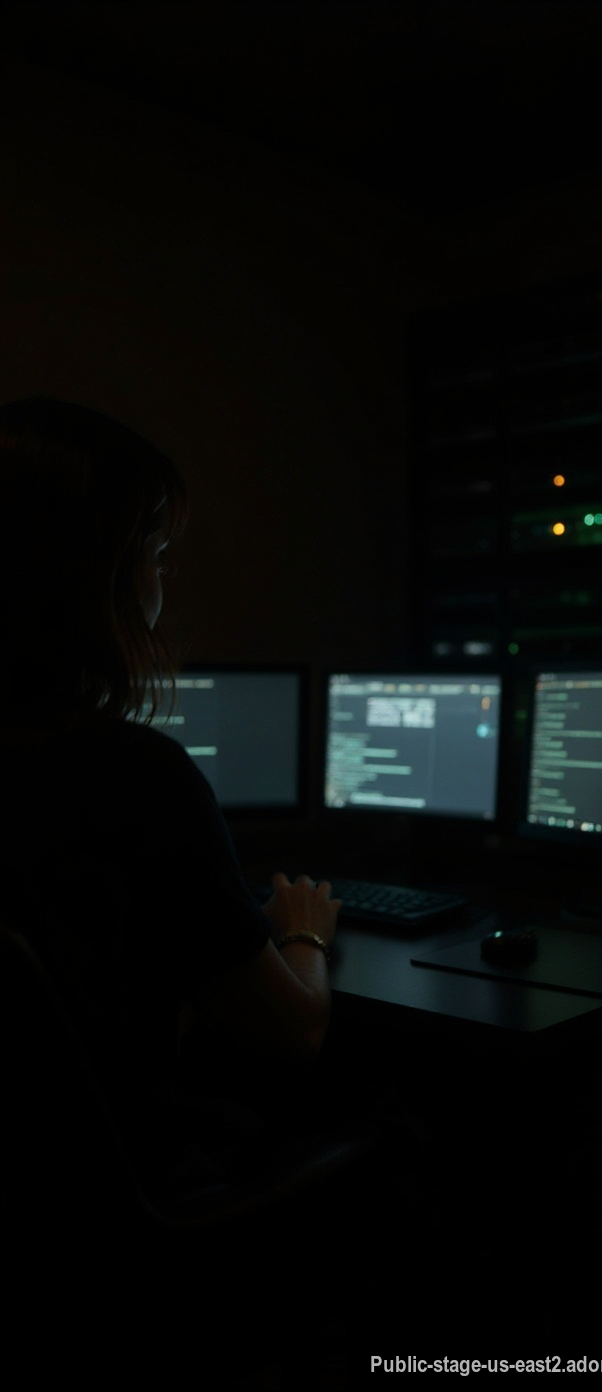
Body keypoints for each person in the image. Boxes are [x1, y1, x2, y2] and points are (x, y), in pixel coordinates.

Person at [0, 394, 343, 1196]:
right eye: (155, 553)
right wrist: (305, 932)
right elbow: (292, 1037)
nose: (161, 580)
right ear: (100, 574)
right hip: (117, 1204)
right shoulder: (133, 773)